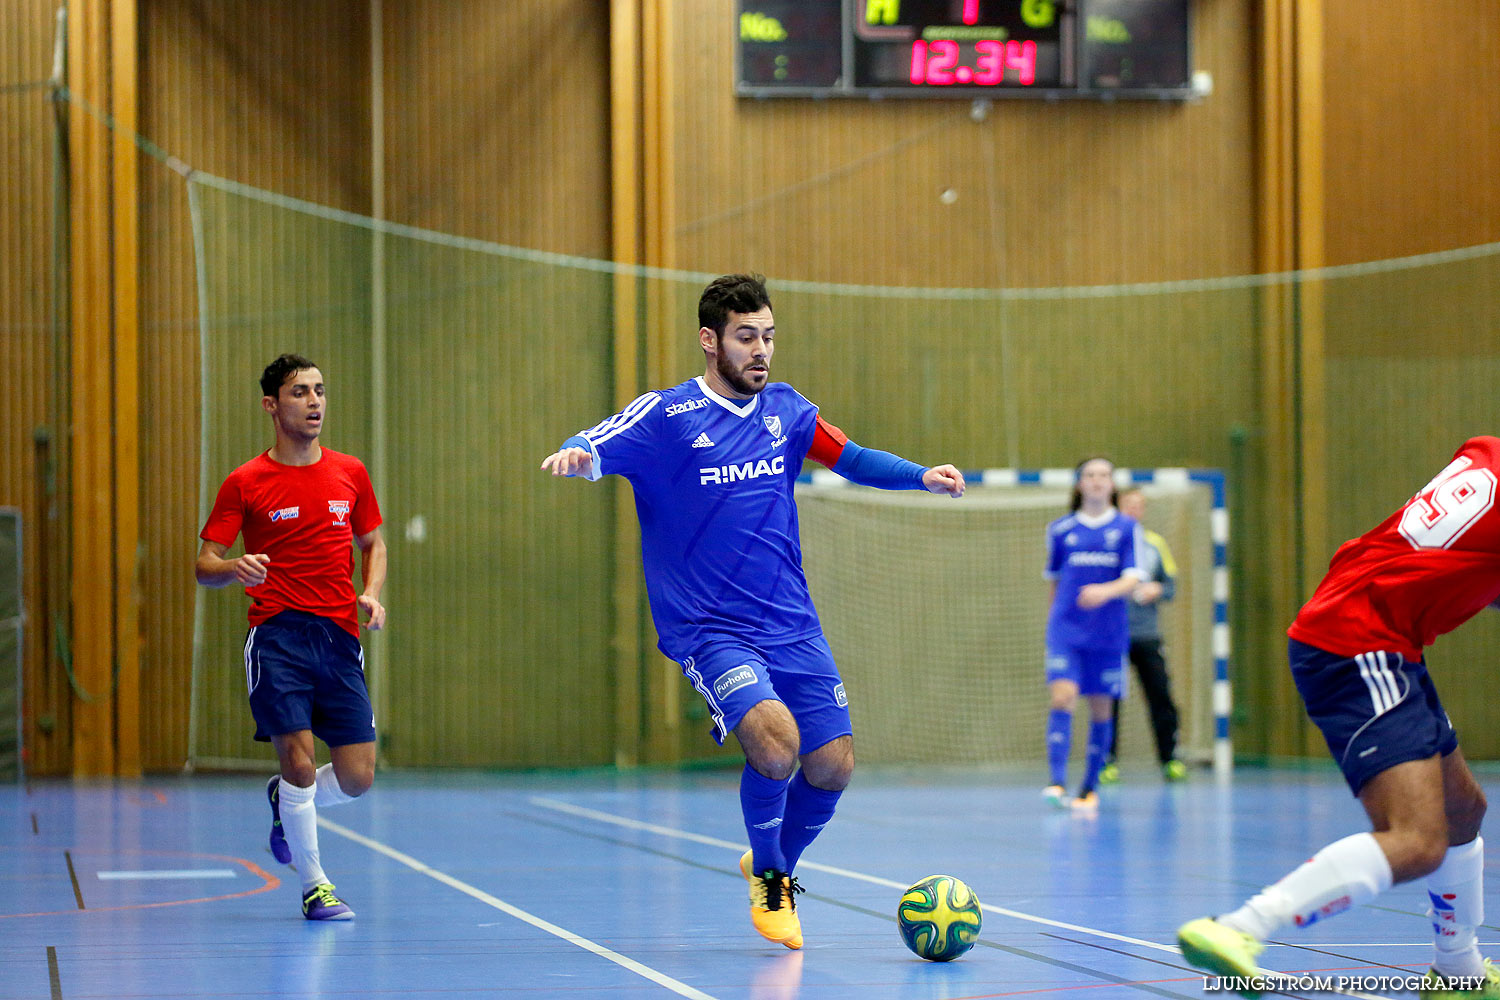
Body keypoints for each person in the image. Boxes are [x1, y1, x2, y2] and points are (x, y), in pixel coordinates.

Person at [540, 273, 965, 950]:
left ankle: (775, 865)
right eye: (746, 337)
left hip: (791, 621)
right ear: (710, 342)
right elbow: (600, 439)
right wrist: (579, 452)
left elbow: (850, 456)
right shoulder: (667, 417)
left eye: (768, 335)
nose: (760, 350)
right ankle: (770, 878)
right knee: (774, 743)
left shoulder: (789, 411)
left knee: (833, 765)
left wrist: (922, 474)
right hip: (710, 629)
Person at [1178, 436, 1500, 999]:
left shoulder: (1489, 452)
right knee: (1419, 840)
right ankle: (1237, 929)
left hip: (1375, 630)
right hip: (1358, 643)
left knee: (1463, 808)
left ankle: (1459, 967)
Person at [195, 353, 387, 921]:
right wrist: (234, 568)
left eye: (320, 391)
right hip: (277, 636)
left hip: (339, 638)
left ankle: (286, 798)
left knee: (357, 778)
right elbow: (205, 563)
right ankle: (316, 886)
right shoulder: (245, 482)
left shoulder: (350, 472)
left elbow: (373, 542)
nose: (315, 402)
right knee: (299, 761)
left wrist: (372, 592)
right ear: (272, 405)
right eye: (300, 392)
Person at [1041, 457, 1144, 813]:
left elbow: (1133, 579)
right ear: (1080, 484)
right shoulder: (1060, 530)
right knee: (1062, 698)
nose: (1097, 481)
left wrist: (1105, 591)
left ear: (1112, 484)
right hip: (1066, 632)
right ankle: (1056, 782)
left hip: (1108, 634)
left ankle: (1089, 787)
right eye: (1090, 475)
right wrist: (1056, 622)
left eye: (1104, 475)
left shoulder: (1127, 529)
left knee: (1101, 709)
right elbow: (1054, 581)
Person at [1099, 487, 1187, 784]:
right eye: (1128, 505)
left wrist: (1157, 589)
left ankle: (1170, 759)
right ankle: (1106, 761)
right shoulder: (1105, 542)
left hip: (1147, 635)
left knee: (1160, 695)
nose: (1134, 511)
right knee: (1108, 699)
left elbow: (1170, 586)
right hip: (1111, 634)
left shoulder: (1154, 544)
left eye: (1139, 506)